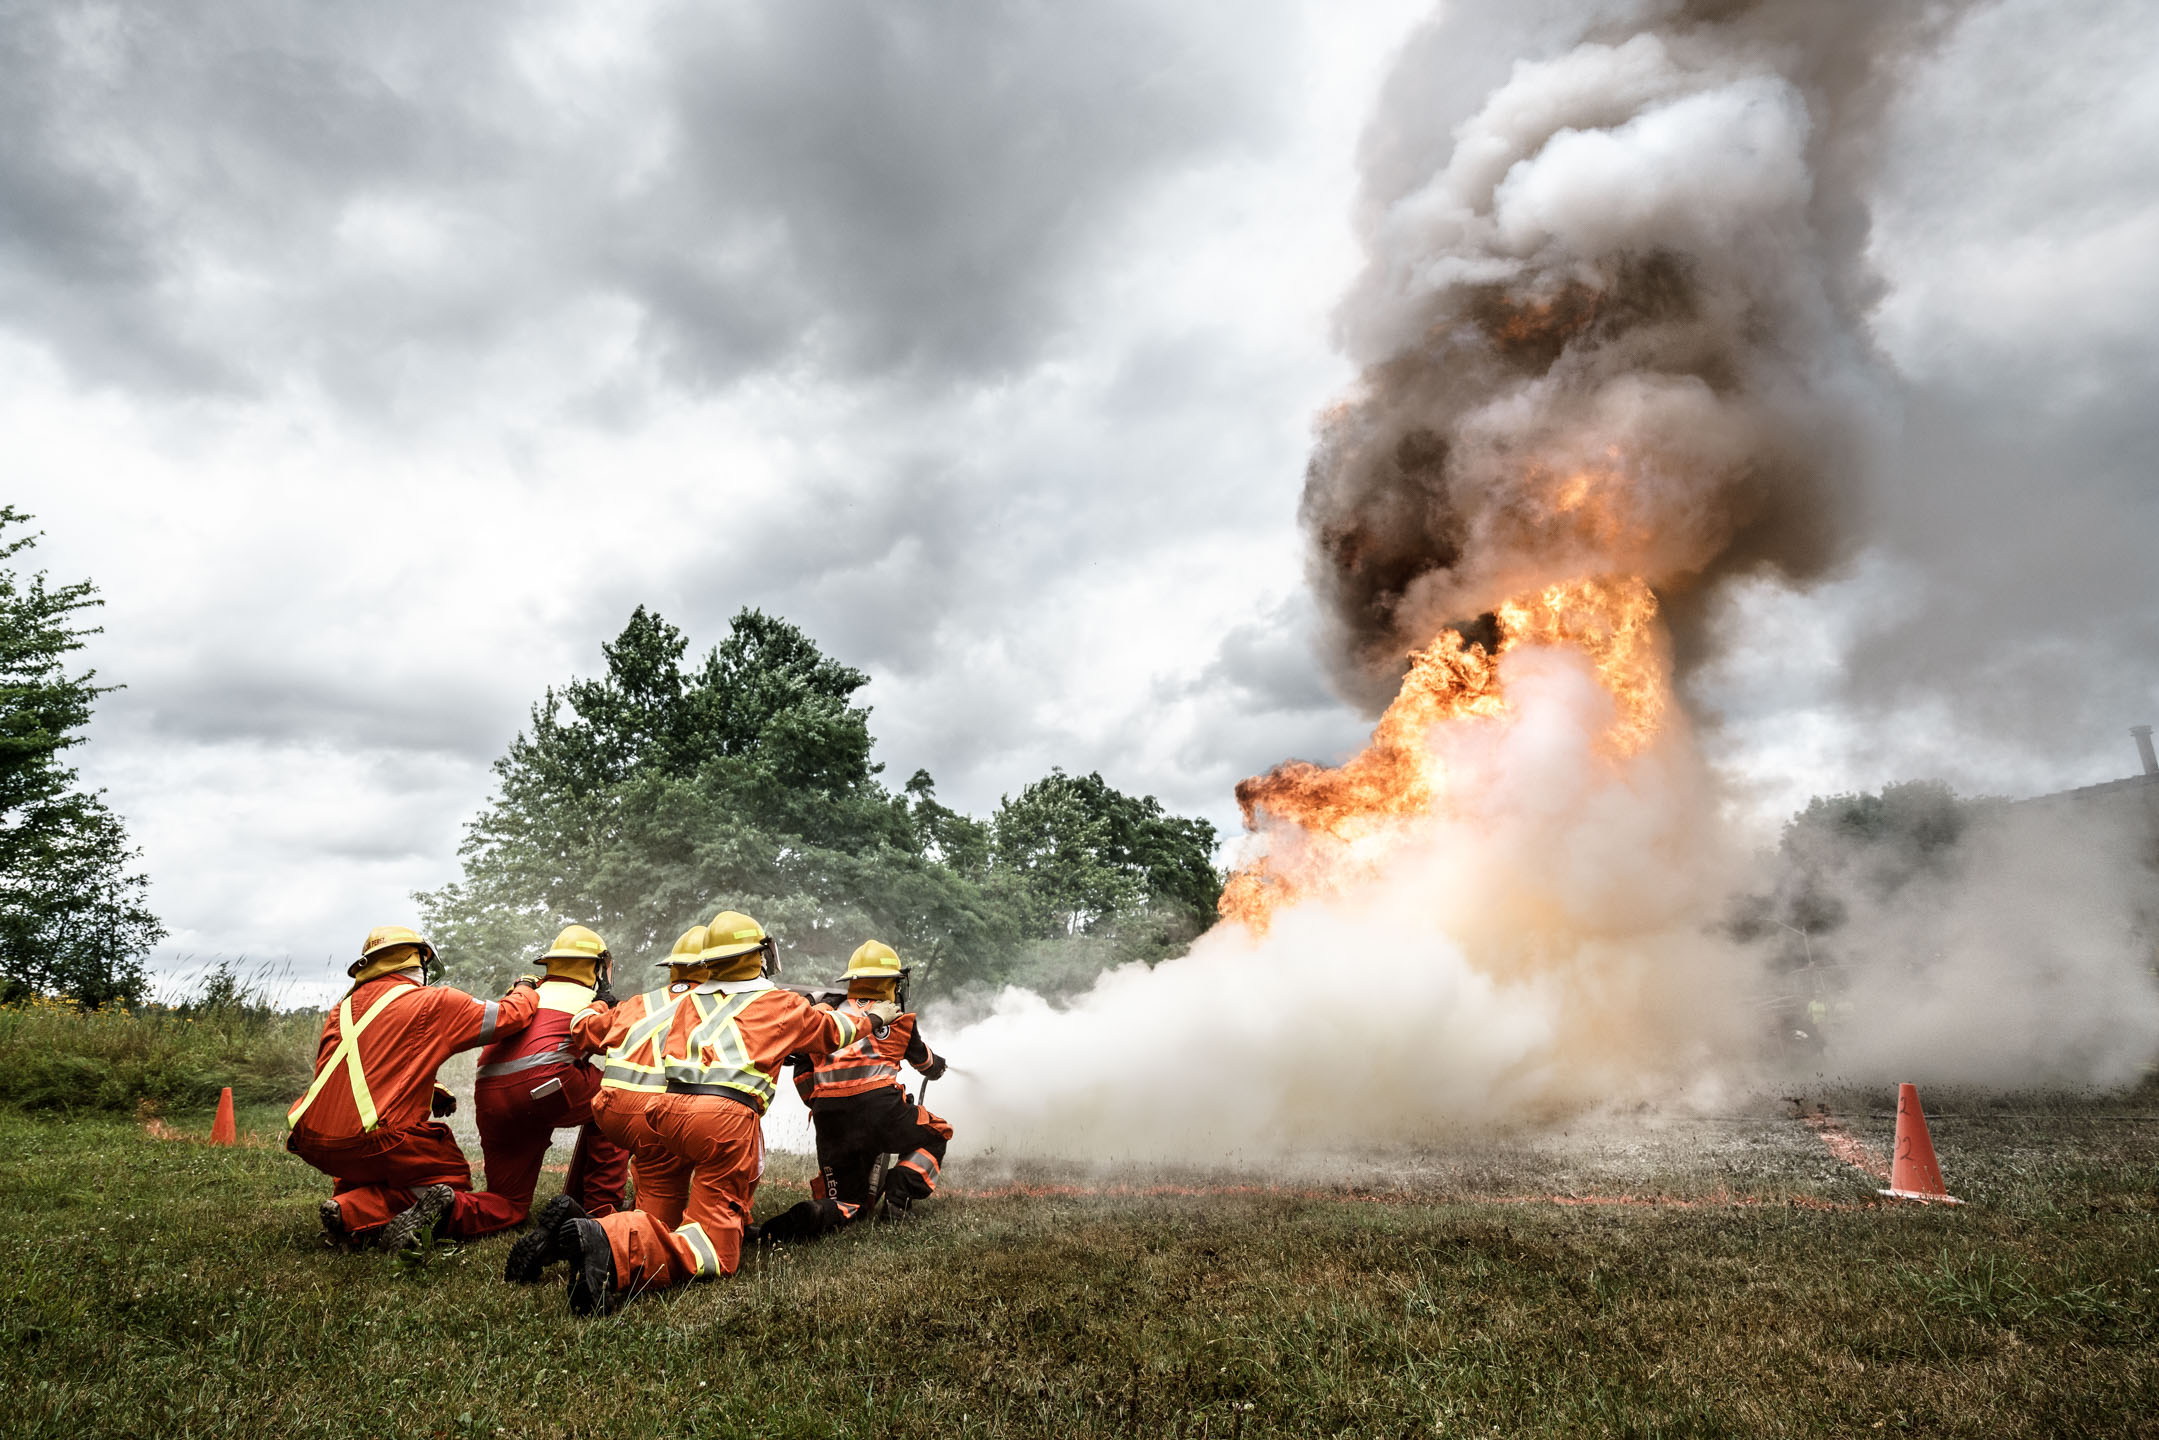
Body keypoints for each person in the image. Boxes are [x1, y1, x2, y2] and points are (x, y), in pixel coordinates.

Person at [516, 910, 893, 1314]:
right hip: (723, 1120)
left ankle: (584, 1230)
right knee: (715, 1249)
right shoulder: (778, 1003)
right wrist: (875, 1016)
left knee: (661, 1217)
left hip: (667, 1113)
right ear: (761, 955)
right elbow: (834, 1032)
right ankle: (610, 1247)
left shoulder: (685, 999)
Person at [287, 926, 541, 1251]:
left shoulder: (342, 1010)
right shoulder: (433, 1001)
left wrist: (428, 1087)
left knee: (371, 1167)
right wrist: (525, 987)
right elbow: (509, 1016)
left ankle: (350, 1216)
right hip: (375, 1140)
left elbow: (357, 1067)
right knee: (448, 1180)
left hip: (315, 1142)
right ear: (418, 960)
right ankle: (362, 1209)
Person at [505, 924, 705, 1283]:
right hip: (672, 1121)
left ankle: (577, 1219)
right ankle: (605, 1231)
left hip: (614, 1108)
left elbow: (587, 1030)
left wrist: (600, 1005)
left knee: (649, 1207)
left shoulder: (641, 1003)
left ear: (673, 968)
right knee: (679, 1227)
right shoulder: (724, 1008)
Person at [759, 939, 952, 1243]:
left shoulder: (825, 1015)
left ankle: (816, 1213)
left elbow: (802, 1071)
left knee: (848, 1203)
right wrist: (939, 1066)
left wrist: (820, 1101)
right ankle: (900, 1189)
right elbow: (927, 1064)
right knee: (937, 1133)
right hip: (883, 1111)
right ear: (892, 984)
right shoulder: (899, 1021)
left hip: (830, 1119)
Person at [471, 925, 629, 1241]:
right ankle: (600, 1211)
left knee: (508, 1204)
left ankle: (447, 1208)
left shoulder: (525, 994)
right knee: (618, 1099)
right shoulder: (589, 999)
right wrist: (608, 1007)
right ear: (597, 968)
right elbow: (618, 1043)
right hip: (543, 1088)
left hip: (489, 1098)